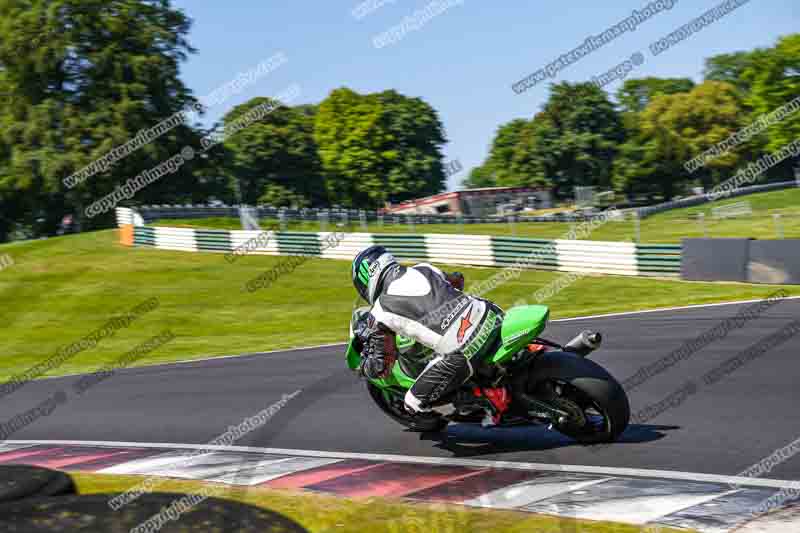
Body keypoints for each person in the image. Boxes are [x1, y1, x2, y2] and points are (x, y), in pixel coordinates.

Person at [351, 245, 509, 425]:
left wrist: (364, 367)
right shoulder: (423, 268)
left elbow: (382, 365)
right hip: (490, 313)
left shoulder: (380, 312)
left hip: (465, 348)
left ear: (365, 281)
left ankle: (486, 405)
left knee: (412, 403)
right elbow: (457, 280)